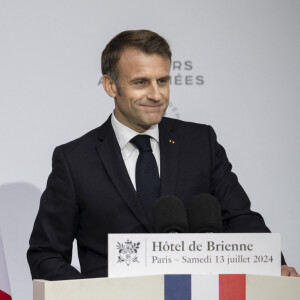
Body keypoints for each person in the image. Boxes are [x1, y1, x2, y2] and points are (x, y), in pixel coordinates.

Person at [27, 30, 298, 280]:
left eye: (163, 81)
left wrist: (274, 265)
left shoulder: (200, 142)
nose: (156, 95)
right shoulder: (74, 160)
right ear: (111, 86)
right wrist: (88, 294)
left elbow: (240, 219)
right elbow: (45, 253)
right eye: (141, 82)